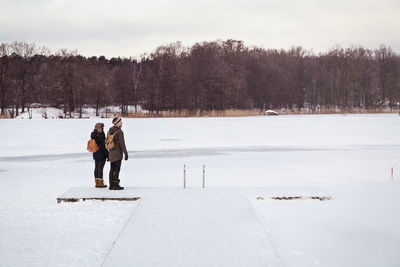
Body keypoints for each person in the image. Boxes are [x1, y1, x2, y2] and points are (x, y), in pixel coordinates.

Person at [108, 117, 128, 190]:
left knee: (112, 169)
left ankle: (111, 184)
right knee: (117, 169)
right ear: (117, 123)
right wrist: (125, 153)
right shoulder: (119, 132)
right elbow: (122, 144)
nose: (122, 123)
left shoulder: (110, 130)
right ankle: (115, 185)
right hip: (117, 153)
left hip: (111, 152)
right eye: (120, 122)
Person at [91, 122, 109, 188]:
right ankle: (100, 183)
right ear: (99, 128)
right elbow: (103, 146)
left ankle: (97, 182)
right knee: (100, 168)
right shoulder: (101, 135)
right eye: (101, 127)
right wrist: (108, 155)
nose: (102, 128)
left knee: (96, 168)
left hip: (95, 153)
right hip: (101, 154)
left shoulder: (93, 134)